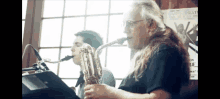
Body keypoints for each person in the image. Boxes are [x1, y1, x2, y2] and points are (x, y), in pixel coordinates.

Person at [83, 0, 190, 99]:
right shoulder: (152, 51)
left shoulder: (164, 50)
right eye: (124, 24)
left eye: (130, 23)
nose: (124, 30)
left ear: (151, 25)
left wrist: (109, 92)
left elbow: (159, 97)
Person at [70, 30, 116, 99]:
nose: (72, 49)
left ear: (91, 50)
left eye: (78, 45)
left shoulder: (104, 74)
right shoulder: (84, 76)